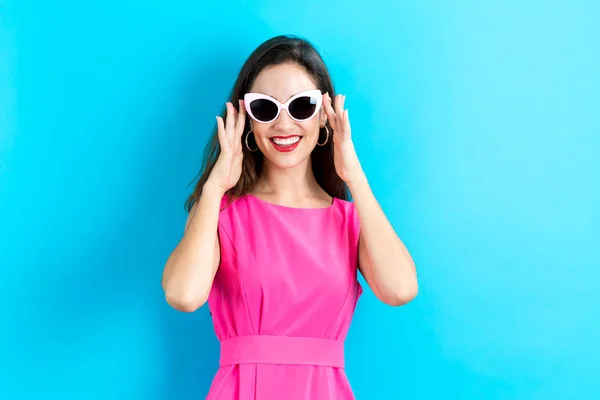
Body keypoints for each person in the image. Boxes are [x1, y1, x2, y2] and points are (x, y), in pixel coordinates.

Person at [161, 35, 418, 400]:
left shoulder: (350, 220)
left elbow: (400, 289)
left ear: (324, 115)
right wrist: (216, 184)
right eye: (265, 108)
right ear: (246, 118)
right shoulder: (220, 212)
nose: (284, 124)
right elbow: (183, 295)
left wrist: (354, 176)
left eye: (301, 106)